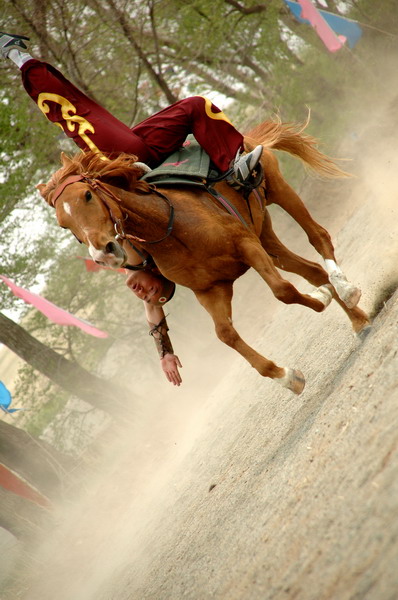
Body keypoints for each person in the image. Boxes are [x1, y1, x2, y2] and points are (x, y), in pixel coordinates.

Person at [1, 32, 263, 386]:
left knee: (75, 113)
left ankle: (19, 58)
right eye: (153, 291)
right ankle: (236, 166)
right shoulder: (153, 260)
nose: (142, 293)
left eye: (143, 293)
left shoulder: (127, 260)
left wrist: (164, 352)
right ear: (162, 280)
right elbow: (154, 304)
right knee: (195, 106)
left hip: (126, 158)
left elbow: (151, 312)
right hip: (136, 158)